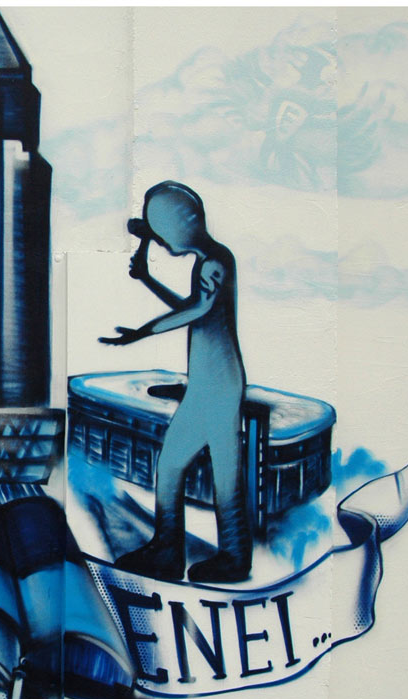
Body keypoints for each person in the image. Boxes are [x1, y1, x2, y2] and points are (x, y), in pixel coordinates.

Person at [102, 182, 251, 583]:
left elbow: (198, 307)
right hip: (208, 385)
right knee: (174, 466)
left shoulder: (217, 262)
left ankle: (228, 558)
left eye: (162, 230)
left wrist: (142, 332)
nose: (162, 240)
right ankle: (171, 552)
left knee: (222, 472)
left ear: (183, 223)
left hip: (218, 386)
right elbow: (190, 308)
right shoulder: (207, 263)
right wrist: (148, 280)